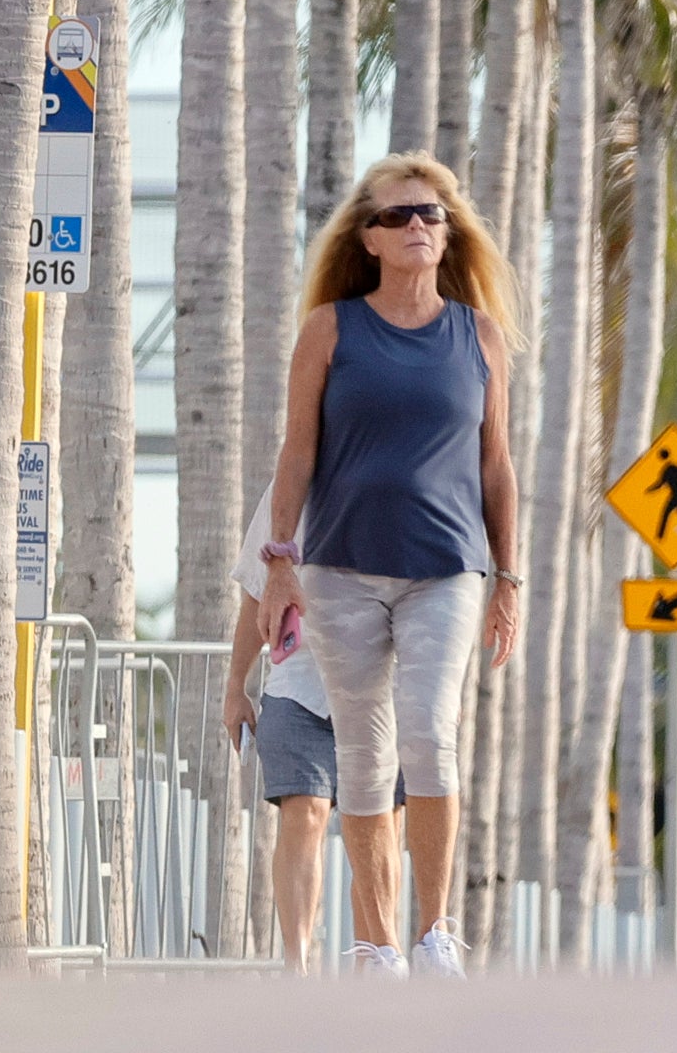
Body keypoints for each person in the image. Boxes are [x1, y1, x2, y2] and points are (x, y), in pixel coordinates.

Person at [257, 154, 522, 977]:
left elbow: (496, 466)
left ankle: (435, 932)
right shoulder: (331, 330)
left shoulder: (477, 336)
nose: (417, 226)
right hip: (339, 571)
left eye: (431, 216)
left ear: (449, 236)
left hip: (447, 570)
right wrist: (279, 563)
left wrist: (507, 580)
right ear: (367, 238)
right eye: (398, 216)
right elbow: (296, 454)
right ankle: (376, 944)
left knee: (429, 736)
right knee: (365, 760)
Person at [221, 497, 400, 969]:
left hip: (380, 693)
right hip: (300, 689)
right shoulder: (286, 491)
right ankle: (296, 967)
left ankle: (374, 963)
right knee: (306, 817)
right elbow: (258, 594)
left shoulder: (398, 478)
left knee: (378, 833)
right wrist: (236, 686)